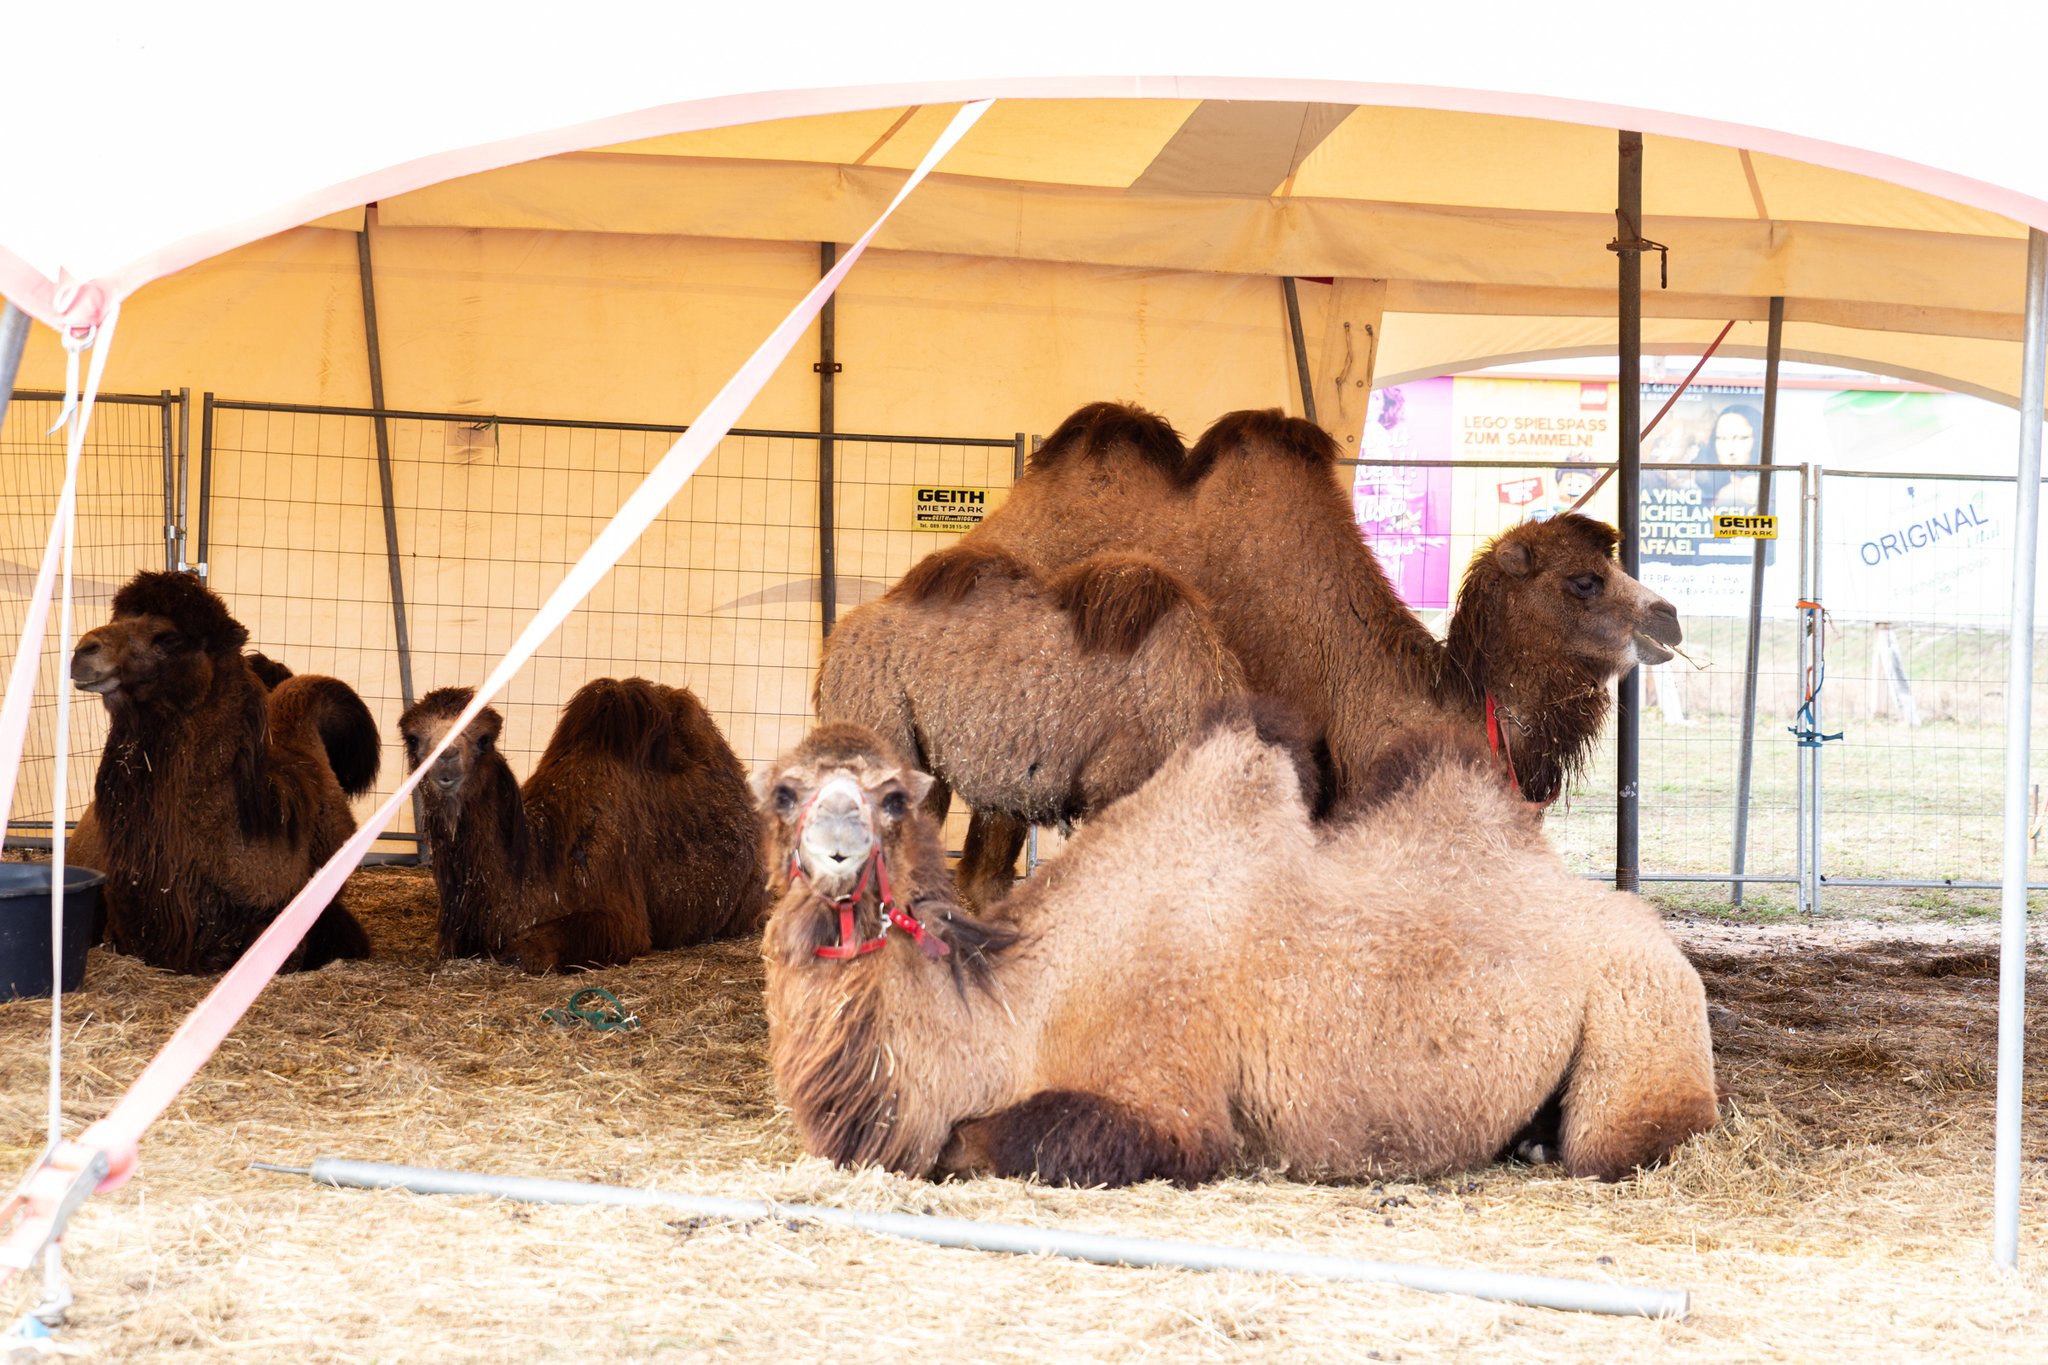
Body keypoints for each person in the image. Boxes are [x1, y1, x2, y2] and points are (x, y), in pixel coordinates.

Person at [1705, 403, 1765, 510]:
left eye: (1742, 438)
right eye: (1722, 438)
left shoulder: (1762, 489)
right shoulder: (1713, 489)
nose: (1730, 450)